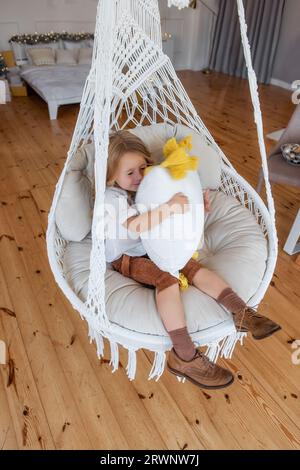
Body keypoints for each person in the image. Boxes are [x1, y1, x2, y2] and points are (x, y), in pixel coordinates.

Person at [104, 130, 281, 389]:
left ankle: (241, 313)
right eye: (129, 173)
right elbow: (136, 226)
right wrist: (170, 207)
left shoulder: (151, 186)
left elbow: (172, 215)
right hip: (129, 257)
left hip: (158, 245)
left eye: (143, 167)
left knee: (192, 265)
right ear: (111, 176)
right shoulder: (111, 198)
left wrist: (198, 208)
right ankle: (184, 356)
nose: (139, 177)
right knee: (167, 279)